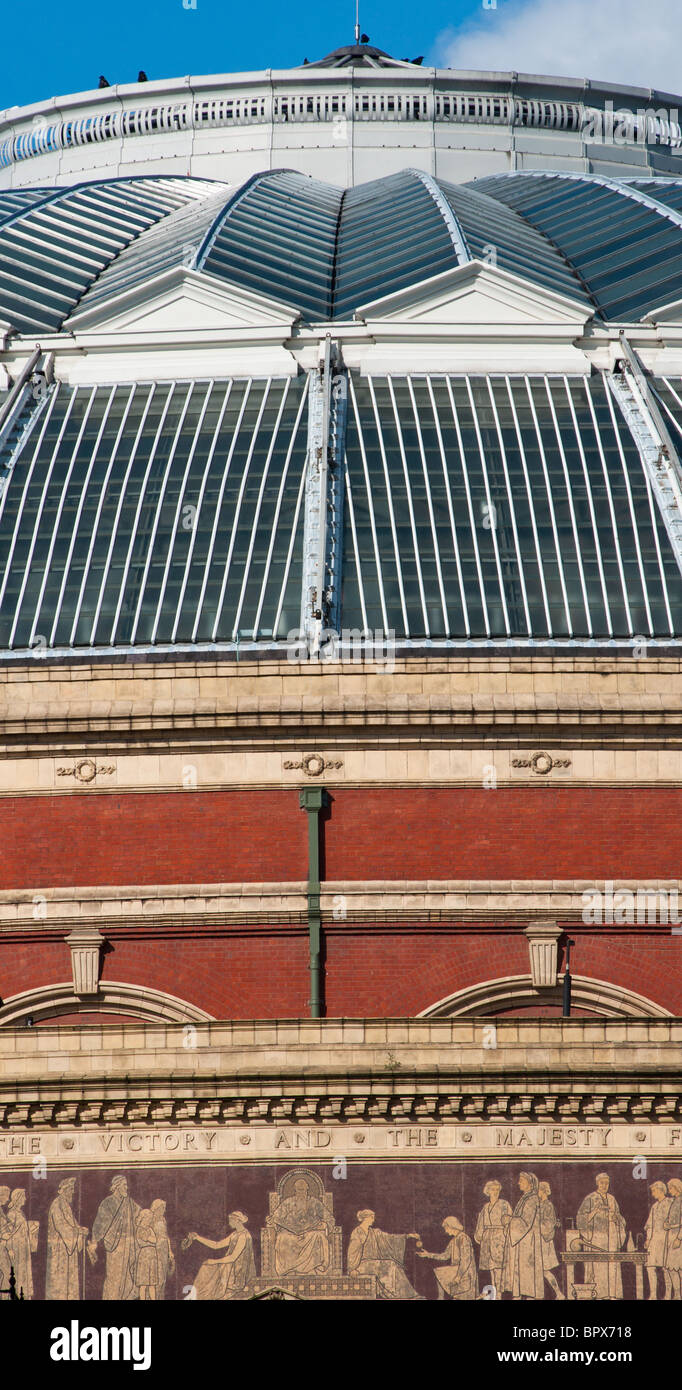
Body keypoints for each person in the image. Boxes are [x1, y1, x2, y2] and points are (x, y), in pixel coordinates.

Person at [347, 1209, 423, 1300]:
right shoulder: (358, 1232)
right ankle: (395, 1295)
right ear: (365, 1218)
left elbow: (390, 1238)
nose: (373, 1220)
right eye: (371, 1218)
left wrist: (408, 1236)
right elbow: (352, 1251)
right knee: (390, 1265)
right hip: (362, 1264)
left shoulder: (374, 1232)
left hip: (374, 1263)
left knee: (393, 1265)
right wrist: (352, 1268)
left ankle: (404, 1295)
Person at [89, 1175, 140, 1300]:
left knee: (129, 1276)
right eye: (124, 1185)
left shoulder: (129, 1202)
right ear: (116, 1186)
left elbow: (140, 1214)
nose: (127, 1188)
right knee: (114, 1276)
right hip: (114, 1245)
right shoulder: (107, 1202)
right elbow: (100, 1224)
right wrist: (95, 1241)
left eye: (127, 1185)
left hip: (129, 1244)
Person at [184, 1211, 256, 1299]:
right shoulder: (235, 1234)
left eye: (231, 1221)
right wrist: (197, 1237)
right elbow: (217, 1245)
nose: (229, 1223)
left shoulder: (244, 1236)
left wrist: (214, 1261)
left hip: (238, 1272)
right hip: (229, 1266)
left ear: (237, 1221)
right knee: (206, 1266)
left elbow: (233, 1258)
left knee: (208, 1268)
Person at [576, 1173, 626, 1300]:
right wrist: (595, 1211)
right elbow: (581, 1218)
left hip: (612, 1236)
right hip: (597, 1237)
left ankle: (612, 1294)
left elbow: (620, 1217)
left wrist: (617, 1218)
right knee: (598, 1266)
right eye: (602, 1183)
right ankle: (598, 1295)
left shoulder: (612, 1199)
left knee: (612, 1264)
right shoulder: (591, 1198)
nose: (604, 1185)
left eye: (607, 1183)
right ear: (597, 1183)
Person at [271, 1178, 334, 1276]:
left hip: (310, 1233)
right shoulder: (288, 1202)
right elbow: (276, 1216)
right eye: (298, 1190)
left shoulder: (314, 1202)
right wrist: (272, 1220)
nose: (301, 1192)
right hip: (291, 1233)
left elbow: (329, 1218)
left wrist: (325, 1225)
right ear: (295, 1190)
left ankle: (315, 1268)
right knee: (281, 1237)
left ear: (307, 1189)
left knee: (319, 1236)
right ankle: (288, 1270)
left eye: (303, 1190)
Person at [501, 1172, 544, 1300]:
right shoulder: (525, 1198)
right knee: (522, 1277)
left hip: (528, 1243)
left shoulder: (532, 1199)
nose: (518, 1183)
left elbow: (525, 1222)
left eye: (521, 1181)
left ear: (530, 1184)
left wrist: (510, 1220)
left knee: (529, 1279)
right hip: (522, 1242)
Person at [46, 1177, 88, 1300]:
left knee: (69, 1280)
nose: (72, 1193)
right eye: (70, 1190)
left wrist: (80, 1230)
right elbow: (61, 1226)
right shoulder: (57, 1204)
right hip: (59, 1250)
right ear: (64, 1190)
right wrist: (78, 1232)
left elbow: (72, 1225)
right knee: (59, 1282)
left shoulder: (65, 1205)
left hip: (67, 1249)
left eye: (73, 1190)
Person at [416, 1217, 477, 1299]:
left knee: (441, 1273)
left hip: (465, 1272)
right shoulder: (453, 1241)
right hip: (456, 1270)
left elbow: (466, 1261)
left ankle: (441, 1298)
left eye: (446, 1228)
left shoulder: (463, 1238)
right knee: (439, 1272)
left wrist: (458, 1277)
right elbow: (445, 1256)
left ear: (452, 1226)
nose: (446, 1231)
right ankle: (440, 1298)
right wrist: (428, 1254)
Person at [474, 1180, 512, 1295]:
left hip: (499, 1236)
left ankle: (499, 1293)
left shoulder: (504, 1204)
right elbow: (481, 1223)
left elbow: (509, 1219)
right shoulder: (485, 1207)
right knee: (491, 1268)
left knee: (498, 1267)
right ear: (488, 1191)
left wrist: (506, 1233)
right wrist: (479, 1235)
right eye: (493, 1189)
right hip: (487, 1237)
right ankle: (494, 1292)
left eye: (497, 1190)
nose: (495, 1192)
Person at [4, 1188, 35, 1300]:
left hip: (23, 1248)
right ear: (18, 1199)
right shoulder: (12, 1214)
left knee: (23, 1272)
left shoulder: (20, 1213)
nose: (25, 1199)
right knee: (16, 1272)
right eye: (23, 1197)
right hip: (16, 1248)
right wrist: (10, 1248)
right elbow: (8, 1234)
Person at [645, 1181, 673, 1300]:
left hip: (667, 1239)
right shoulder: (654, 1206)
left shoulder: (671, 1203)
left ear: (661, 1190)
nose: (652, 1194)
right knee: (650, 1266)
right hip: (654, 1241)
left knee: (666, 1268)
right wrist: (648, 1239)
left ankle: (668, 1294)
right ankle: (653, 1294)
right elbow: (650, 1225)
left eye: (654, 1191)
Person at [538, 1180, 565, 1300]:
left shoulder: (548, 1205)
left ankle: (558, 1293)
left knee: (544, 1270)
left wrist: (537, 1227)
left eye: (538, 1190)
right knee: (540, 1271)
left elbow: (549, 1224)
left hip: (544, 1241)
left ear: (543, 1191)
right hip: (538, 1240)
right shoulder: (539, 1204)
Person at [664, 1178, 682, 1301]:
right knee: (671, 1268)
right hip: (671, 1234)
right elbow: (670, 1219)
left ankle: (678, 1295)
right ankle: (677, 1294)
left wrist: (679, 1238)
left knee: (677, 1268)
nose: (669, 1191)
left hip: (678, 1235)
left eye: (671, 1188)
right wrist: (666, 1224)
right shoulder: (674, 1201)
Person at [0, 1186, 12, 1299]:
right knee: (7, 1272)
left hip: (3, 1246)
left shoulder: (1, 1211)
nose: (8, 1199)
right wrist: (4, 1235)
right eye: (7, 1196)